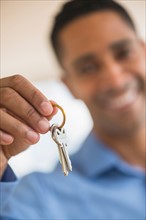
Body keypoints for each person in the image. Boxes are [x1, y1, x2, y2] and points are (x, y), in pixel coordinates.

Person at [0, 0, 145, 219]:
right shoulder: (38, 197)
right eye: (87, 68)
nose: (115, 80)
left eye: (124, 53)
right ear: (69, 85)